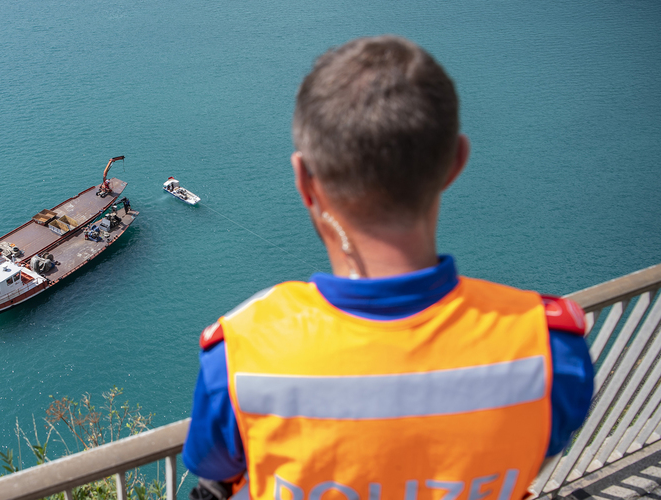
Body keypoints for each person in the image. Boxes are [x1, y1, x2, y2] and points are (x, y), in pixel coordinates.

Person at [182, 36, 594, 500]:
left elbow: (216, 468)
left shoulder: (241, 354)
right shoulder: (551, 348)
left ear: (304, 181)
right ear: (456, 163)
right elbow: (539, 445)